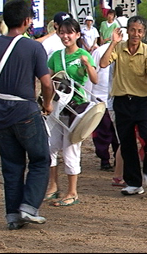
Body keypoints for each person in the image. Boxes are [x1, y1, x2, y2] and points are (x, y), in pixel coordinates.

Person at [0, 0, 54, 230]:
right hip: (26, 112)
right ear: (27, 21)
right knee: (40, 159)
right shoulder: (33, 47)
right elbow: (47, 84)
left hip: (0, 114)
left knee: (12, 165)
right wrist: (48, 104)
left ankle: (12, 216)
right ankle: (28, 206)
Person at [99, 16, 147, 196]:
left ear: (144, 33)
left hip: (141, 102)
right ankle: (133, 182)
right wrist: (112, 43)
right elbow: (103, 63)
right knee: (126, 143)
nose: (136, 34)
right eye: (133, 30)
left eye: (140, 31)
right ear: (128, 30)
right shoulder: (119, 48)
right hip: (121, 101)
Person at [44, 18, 98, 207]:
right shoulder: (55, 56)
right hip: (57, 107)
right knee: (50, 146)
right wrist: (46, 102)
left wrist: (87, 64)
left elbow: (95, 79)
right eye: (62, 32)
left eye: (70, 33)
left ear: (77, 34)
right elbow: (48, 82)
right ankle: (53, 186)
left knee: (70, 148)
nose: (66, 36)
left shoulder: (84, 54)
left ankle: (72, 192)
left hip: (76, 106)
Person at [84, 42, 123, 174]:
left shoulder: (128, 50)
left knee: (119, 132)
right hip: (100, 98)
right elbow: (91, 75)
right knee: (102, 132)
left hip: (118, 98)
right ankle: (104, 160)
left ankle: (119, 160)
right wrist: (89, 98)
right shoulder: (100, 52)